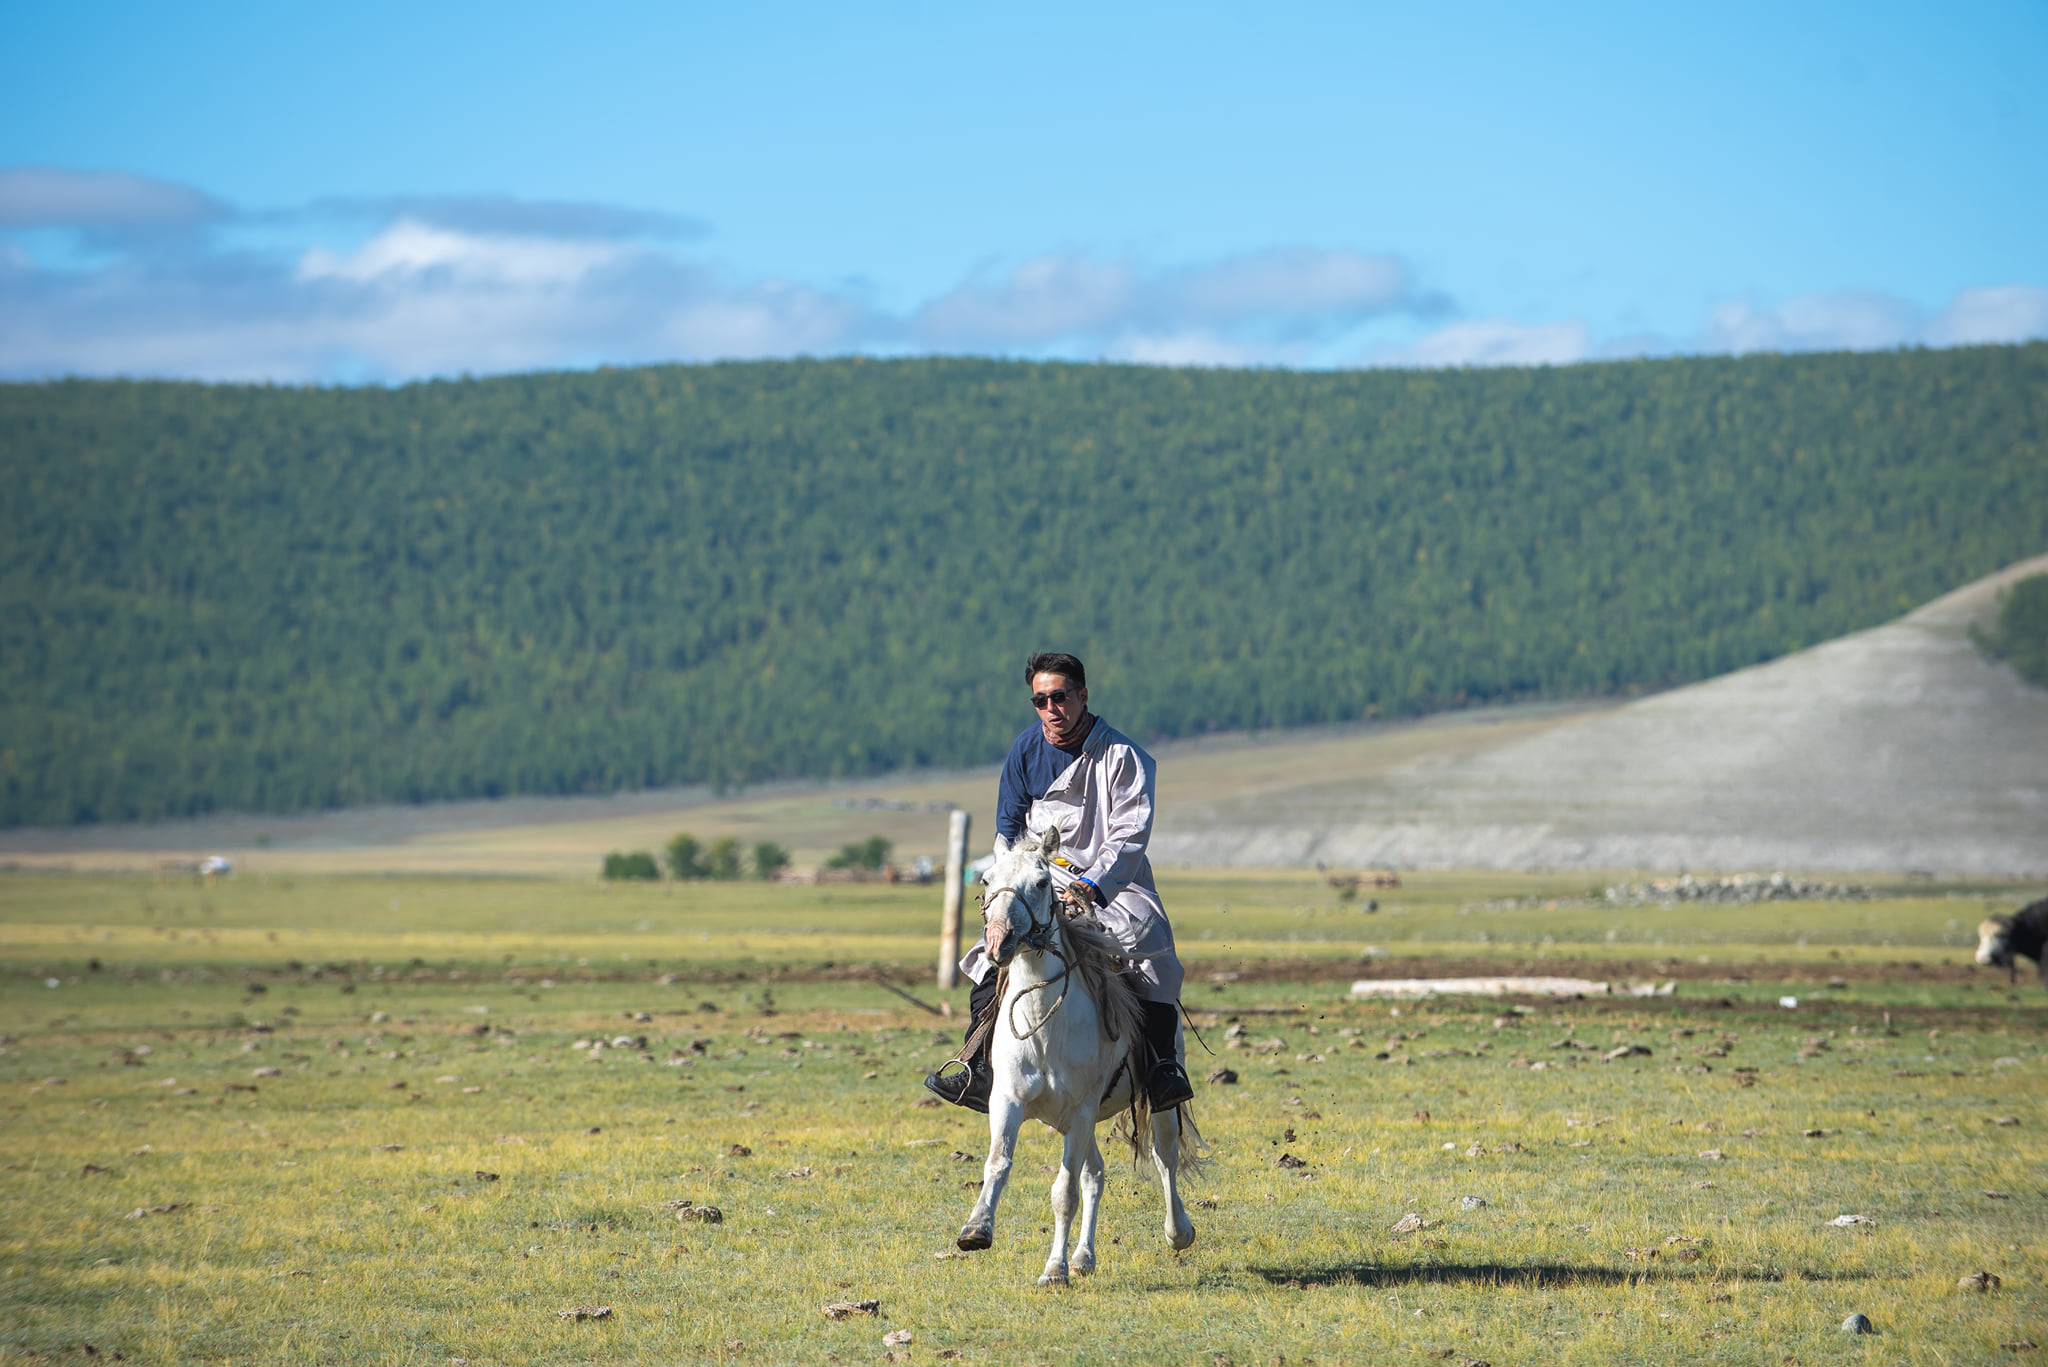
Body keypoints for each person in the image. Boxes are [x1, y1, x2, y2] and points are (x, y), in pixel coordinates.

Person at [925, 652, 1195, 1113]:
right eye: (1040, 700)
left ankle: (1161, 1069)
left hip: (1114, 883)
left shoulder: (1123, 757)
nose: (1051, 707)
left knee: (1149, 944)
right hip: (1040, 880)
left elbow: (1130, 834)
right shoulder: (1024, 751)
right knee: (994, 954)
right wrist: (1003, 898)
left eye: (1060, 697)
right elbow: (1008, 834)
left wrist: (1091, 886)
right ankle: (976, 1066)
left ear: (1082, 696)